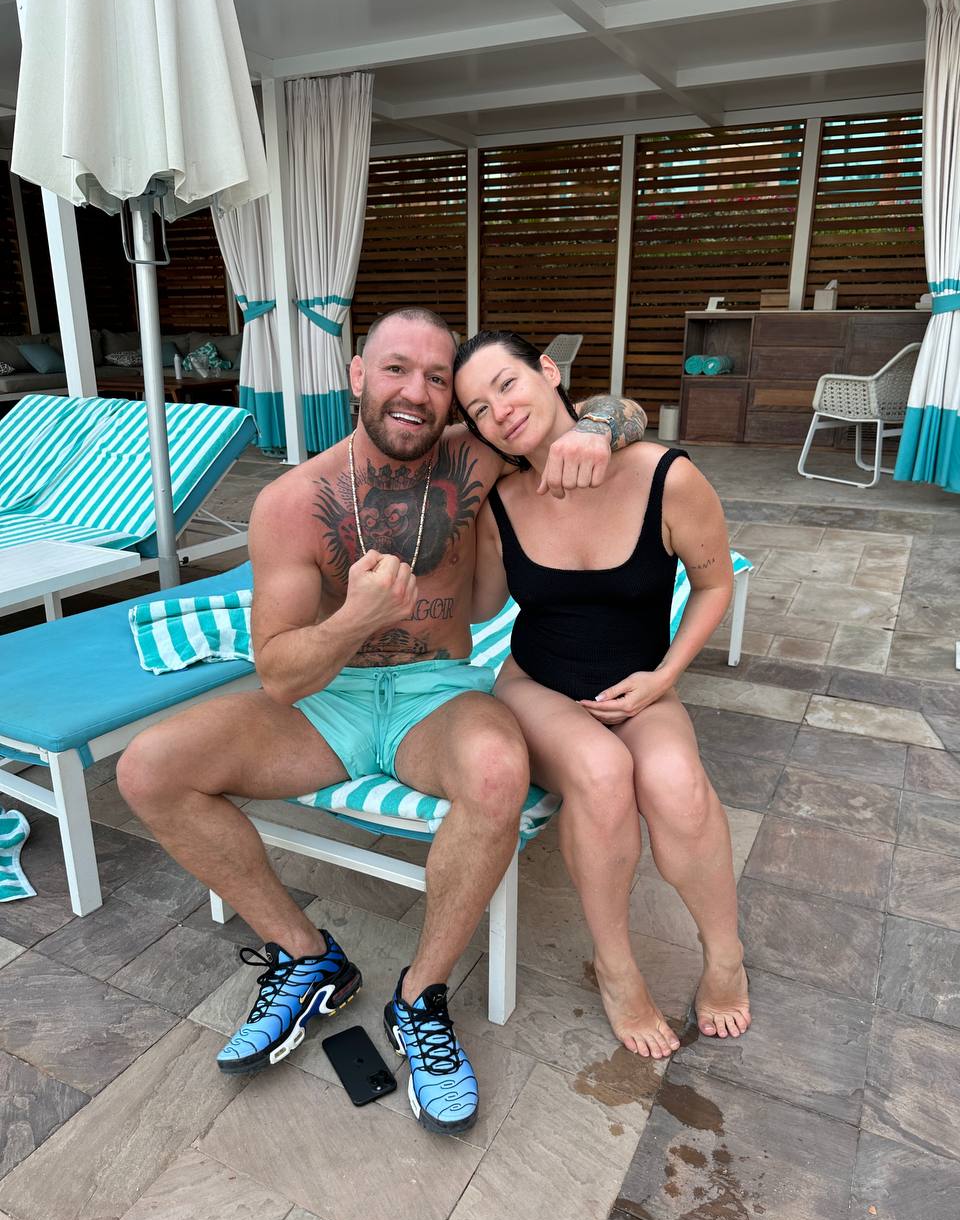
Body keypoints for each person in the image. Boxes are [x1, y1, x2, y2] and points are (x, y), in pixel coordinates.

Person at [117, 307, 642, 1136]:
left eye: (436, 378)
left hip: (438, 693)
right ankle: (308, 959)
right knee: (149, 768)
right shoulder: (293, 502)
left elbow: (606, 408)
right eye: (396, 369)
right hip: (327, 699)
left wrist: (599, 429)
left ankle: (419, 996)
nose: (416, 392)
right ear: (357, 374)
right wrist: (354, 619)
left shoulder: (475, 455)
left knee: (498, 769)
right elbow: (279, 674)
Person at [453, 331, 751, 1060]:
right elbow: (481, 607)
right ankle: (616, 967)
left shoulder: (664, 477)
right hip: (536, 685)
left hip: (642, 682)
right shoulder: (500, 502)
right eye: (479, 408)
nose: (500, 411)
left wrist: (665, 676)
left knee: (678, 785)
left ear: (548, 371)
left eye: (507, 384)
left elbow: (714, 583)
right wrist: (444, 524)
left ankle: (726, 955)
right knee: (602, 770)